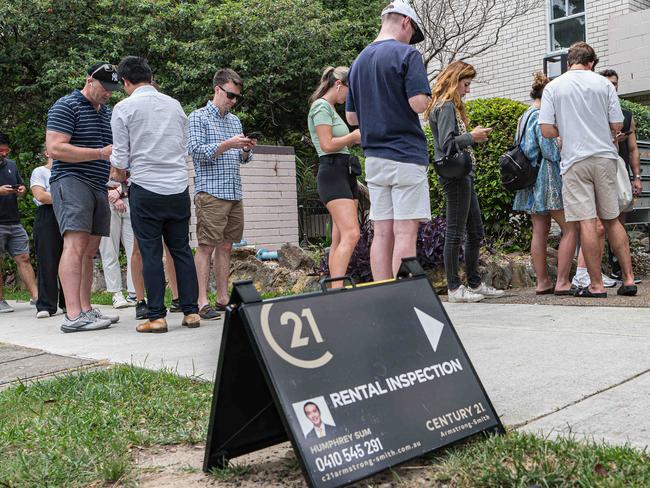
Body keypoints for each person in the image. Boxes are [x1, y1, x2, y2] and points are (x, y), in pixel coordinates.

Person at [110, 56, 200, 333]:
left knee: (150, 252)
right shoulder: (175, 105)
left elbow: (120, 160)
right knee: (181, 250)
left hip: (146, 188)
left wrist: (118, 176)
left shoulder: (123, 108)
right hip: (177, 187)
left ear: (125, 81)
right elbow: (183, 147)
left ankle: (157, 317)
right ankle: (191, 312)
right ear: (150, 77)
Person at [539, 42, 637, 297]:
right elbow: (617, 124)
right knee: (612, 219)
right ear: (591, 62)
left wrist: (569, 130)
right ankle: (628, 280)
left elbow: (547, 130)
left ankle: (596, 285)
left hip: (574, 160)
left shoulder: (553, 87)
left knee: (586, 222)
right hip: (604, 157)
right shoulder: (604, 84)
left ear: (569, 61)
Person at [345, 1, 432, 281]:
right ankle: (402, 298)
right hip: (406, 155)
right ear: (406, 22)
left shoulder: (358, 61)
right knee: (405, 232)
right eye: (413, 32)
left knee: (382, 232)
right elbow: (419, 103)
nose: (411, 39)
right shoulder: (407, 54)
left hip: (375, 159)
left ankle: (382, 292)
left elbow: (351, 117)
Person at [46, 62, 121, 332]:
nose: (108, 93)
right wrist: (100, 153)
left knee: (89, 252)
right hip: (71, 181)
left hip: (98, 184)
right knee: (75, 246)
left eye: (113, 89)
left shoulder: (107, 112)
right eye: (104, 88)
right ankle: (73, 315)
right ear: (89, 80)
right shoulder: (66, 105)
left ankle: (86, 310)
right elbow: (55, 148)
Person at [425, 61, 504, 302]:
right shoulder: (446, 106)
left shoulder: (443, 105)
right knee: (456, 232)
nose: (467, 90)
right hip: (456, 176)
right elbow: (447, 144)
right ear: (455, 80)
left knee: (474, 230)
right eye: (466, 84)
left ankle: (473, 282)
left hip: (460, 175)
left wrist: (471, 135)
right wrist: (472, 136)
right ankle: (454, 288)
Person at [188, 68, 257, 318]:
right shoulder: (198, 117)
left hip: (233, 191)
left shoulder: (234, 121)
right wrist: (228, 143)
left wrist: (247, 149)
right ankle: (201, 301)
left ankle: (222, 298)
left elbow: (241, 159)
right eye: (230, 95)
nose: (233, 100)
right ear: (217, 89)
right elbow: (196, 151)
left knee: (226, 247)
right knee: (206, 246)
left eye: (237, 97)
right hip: (211, 192)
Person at [512, 74, 577, 295]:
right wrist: (560, 142)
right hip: (546, 178)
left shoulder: (524, 116)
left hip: (529, 180)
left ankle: (542, 282)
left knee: (539, 230)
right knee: (570, 228)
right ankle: (562, 281)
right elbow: (549, 152)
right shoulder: (541, 115)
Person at [308, 66, 361, 287]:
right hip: (332, 172)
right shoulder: (320, 107)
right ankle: (337, 290)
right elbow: (326, 144)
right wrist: (353, 136)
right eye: (350, 89)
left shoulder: (330, 109)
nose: (350, 96)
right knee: (352, 234)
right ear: (339, 84)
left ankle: (335, 288)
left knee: (339, 237)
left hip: (345, 171)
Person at [0, 132, 38, 313]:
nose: (4, 154)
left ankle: (37, 298)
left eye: (6, 151)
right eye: (1, 151)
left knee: (23, 257)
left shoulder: (12, 165)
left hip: (14, 221)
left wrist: (21, 189)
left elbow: (20, 186)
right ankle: (0, 301)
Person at [30, 146, 66, 317]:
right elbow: (40, 196)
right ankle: (46, 305)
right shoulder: (40, 171)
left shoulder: (68, 171)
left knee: (70, 257)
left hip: (67, 214)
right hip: (47, 216)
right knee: (47, 260)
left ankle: (68, 303)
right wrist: (67, 197)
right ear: (46, 153)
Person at [99, 178, 137, 309]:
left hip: (129, 199)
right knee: (109, 249)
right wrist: (112, 196)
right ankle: (116, 293)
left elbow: (137, 172)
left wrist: (120, 190)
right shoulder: (97, 157)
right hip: (105, 201)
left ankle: (134, 293)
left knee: (135, 250)